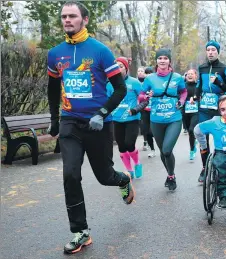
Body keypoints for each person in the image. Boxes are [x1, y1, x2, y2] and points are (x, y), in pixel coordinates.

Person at [46, 1, 134, 254]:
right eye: (64, 16)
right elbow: (52, 88)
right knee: (70, 175)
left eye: (72, 16)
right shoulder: (55, 53)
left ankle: (123, 179)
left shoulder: (100, 51)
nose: (67, 20)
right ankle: (80, 232)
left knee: (104, 176)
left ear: (84, 20)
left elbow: (121, 88)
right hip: (70, 121)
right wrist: (55, 119)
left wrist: (103, 113)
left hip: (98, 124)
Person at [138, 48, 187, 191]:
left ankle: (171, 175)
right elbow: (141, 96)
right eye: (160, 58)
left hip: (174, 118)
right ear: (156, 61)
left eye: (165, 58)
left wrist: (182, 102)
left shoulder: (177, 77)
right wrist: (147, 96)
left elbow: (183, 92)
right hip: (156, 120)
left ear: (169, 61)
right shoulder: (150, 79)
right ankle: (170, 175)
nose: (162, 61)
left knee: (166, 150)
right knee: (162, 151)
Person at [196, 40, 226, 182]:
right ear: (206, 52)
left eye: (213, 49)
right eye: (208, 50)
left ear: (218, 52)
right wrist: (195, 97)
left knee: (223, 135)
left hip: (220, 107)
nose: (211, 52)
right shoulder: (202, 68)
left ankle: (225, 166)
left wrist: (218, 83)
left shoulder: (224, 69)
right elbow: (199, 86)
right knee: (202, 135)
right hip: (204, 108)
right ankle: (204, 167)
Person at [107, 57, 148, 179]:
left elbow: (144, 100)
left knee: (129, 143)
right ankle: (129, 170)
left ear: (126, 68)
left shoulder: (135, 83)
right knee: (121, 146)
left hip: (132, 119)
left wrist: (135, 109)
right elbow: (107, 102)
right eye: (116, 66)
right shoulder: (109, 85)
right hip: (116, 119)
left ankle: (137, 163)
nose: (118, 69)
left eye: (121, 66)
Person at [138, 66, 156, 157]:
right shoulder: (143, 85)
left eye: (150, 74)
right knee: (147, 131)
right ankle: (152, 149)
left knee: (156, 131)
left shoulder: (157, 84)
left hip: (156, 110)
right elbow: (139, 97)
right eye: (147, 74)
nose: (148, 76)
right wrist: (145, 96)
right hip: (145, 110)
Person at [182, 69, 199, 161]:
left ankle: (192, 151)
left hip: (196, 111)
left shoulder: (198, 86)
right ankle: (193, 145)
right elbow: (178, 96)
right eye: (188, 74)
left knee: (192, 130)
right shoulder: (183, 86)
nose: (190, 75)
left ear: (195, 76)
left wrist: (196, 98)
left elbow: (202, 96)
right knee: (189, 132)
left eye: (192, 74)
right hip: (185, 111)